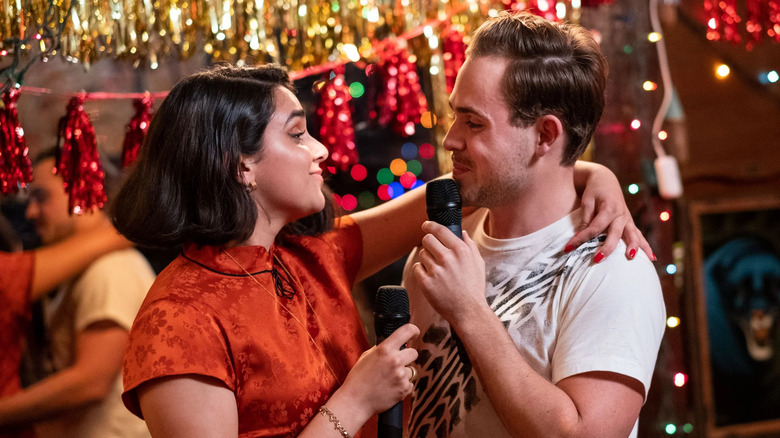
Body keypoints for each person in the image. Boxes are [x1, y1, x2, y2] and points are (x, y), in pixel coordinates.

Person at [110, 63, 650, 438]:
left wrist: (583, 171)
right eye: (298, 135)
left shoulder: (308, 259)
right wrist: (355, 401)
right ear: (240, 164)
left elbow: (477, 183)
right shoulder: (178, 319)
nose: (320, 149)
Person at [403, 12, 666, 438]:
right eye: (455, 117)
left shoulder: (612, 269)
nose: (451, 139)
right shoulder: (436, 253)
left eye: (473, 122)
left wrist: (469, 311)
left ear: (545, 136)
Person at [0, 150, 155, 438]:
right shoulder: (83, 268)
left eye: (41, 197)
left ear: (83, 187)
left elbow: (90, 382)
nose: (31, 212)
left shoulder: (110, 268)